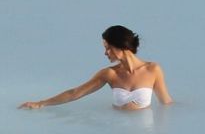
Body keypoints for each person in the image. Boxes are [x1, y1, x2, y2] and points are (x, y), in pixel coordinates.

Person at [19, 25, 173, 110]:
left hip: (143, 133)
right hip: (117, 128)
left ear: (121, 46)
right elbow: (75, 93)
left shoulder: (153, 70)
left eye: (108, 48)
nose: (105, 53)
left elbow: (166, 104)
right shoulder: (109, 74)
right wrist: (41, 103)